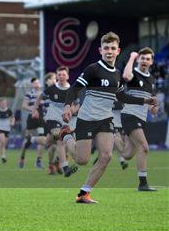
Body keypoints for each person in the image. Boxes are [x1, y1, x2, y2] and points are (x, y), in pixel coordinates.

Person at [60, 32, 157, 203]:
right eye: (106, 48)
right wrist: (67, 106)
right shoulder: (93, 69)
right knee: (82, 160)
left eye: (113, 48)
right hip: (87, 119)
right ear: (100, 50)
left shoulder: (117, 74)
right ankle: (66, 135)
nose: (109, 51)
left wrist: (145, 100)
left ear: (118, 50)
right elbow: (74, 88)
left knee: (106, 156)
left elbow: (123, 97)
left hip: (105, 120)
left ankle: (84, 193)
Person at [116, 48, 158, 191]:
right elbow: (126, 76)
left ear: (151, 62)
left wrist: (154, 106)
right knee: (144, 147)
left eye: (148, 59)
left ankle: (114, 137)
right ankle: (143, 183)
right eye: (142, 58)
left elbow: (152, 106)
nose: (145, 61)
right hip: (130, 115)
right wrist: (132, 57)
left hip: (141, 118)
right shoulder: (134, 74)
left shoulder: (151, 79)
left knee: (127, 155)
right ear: (138, 60)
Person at [34, 66, 77, 177]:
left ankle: (33, 139)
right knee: (60, 140)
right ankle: (66, 168)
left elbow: (76, 105)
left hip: (65, 120)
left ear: (67, 76)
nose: (61, 76)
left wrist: (74, 110)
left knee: (49, 143)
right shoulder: (52, 88)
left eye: (63, 74)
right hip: (52, 118)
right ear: (57, 76)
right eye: (59, 75)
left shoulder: (72, 89)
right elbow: (39, 97)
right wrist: (35, 109)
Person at [19, 77, 45, 169]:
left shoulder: (44, 94)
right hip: (32, 118)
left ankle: (38, 160)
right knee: (27, 139)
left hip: (41, 118)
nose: (37, 85)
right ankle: (22, 157)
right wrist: (33, 109)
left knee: (42, 138)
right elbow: (24, 105)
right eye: (35, 83)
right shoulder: (29, 94)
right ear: (32, 85)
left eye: (38, 83)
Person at [0, 97, 15, 163]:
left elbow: (13, 118)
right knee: (3, 140)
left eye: (5, 103)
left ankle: (0, 151)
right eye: (2, 103)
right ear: (0, 103)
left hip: (7, 128)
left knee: (3, 144)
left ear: (6, 103)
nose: (3, 104)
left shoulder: (9, 111)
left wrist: (12, 122)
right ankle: (3, 156)